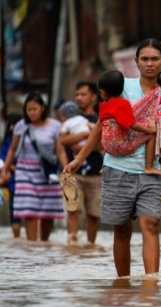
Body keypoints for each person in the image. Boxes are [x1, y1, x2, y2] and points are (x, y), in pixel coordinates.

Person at [64, 38, 161, 277]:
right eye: (145, 59)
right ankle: (123, 284)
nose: (149, 63)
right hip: (116, 169)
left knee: (151, 225)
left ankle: (151, 281)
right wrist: (79, 160)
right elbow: (100, 126)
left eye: (155, 59)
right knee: (122, 230)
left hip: (150, 171)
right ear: (136, 61)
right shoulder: (120, 86)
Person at [0, 92, 70, 242]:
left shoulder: (55, 126)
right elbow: (12, 149)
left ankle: (44, 244)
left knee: (48, 212)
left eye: (34, 109)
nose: (31, 112)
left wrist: (66, 171)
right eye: (28, 109)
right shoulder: (21, 126)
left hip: (48, 174)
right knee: (29, 210)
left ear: (42, 109)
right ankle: (31, 244)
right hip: (25, 173)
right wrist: (6, 168)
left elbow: (60, 151)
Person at [97, 68, 161, 176]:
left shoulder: (103, 106)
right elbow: (131, 124)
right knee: (151, 135)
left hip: (107, 146)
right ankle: (149, 166)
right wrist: (148, 129)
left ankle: (106, 166)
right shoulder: (123, 105)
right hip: (119, 144)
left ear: (103, 93)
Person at [59, 81, 103, 246]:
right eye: (77, 94)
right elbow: (63, 140)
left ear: (93, 97)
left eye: (83, 94)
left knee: (94, 213)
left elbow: (105, 143)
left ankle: (91, 245)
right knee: (72, 210)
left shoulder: (100, 118)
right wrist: (87, 137)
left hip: (95, 173)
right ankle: (72, 242)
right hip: (72, 172)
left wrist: (81, 148)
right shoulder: (72, 119)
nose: (79, 98)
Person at [0, 112, 24, 238]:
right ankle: (17, 238)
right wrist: (15, 168)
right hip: (15, 182)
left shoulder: (25, 138)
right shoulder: (8, 141)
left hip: (27, 180)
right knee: (15, 212)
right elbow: (3, 160)